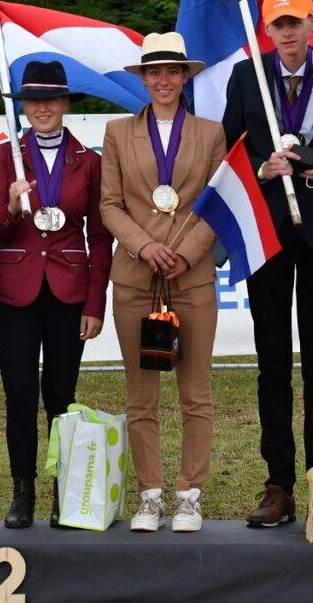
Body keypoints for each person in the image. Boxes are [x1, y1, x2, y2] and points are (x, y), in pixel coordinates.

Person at [223, 0, 313, 527]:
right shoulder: (247, 76)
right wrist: (262, 168)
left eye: (295, 22)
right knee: (273, 364)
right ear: (267, 30)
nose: (287, 32)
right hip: (268, 232)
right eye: (278, 24)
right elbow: (230, 148)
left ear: (312, 23)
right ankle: (278, 484)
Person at [101, 32, 226, 533]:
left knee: (196, 393)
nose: (164, 80)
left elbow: (216, 203)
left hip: (191, 278)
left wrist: (187, 252)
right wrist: (144, 246)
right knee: (141, 395)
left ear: (185, 77)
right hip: (136, 278)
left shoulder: (211, 133)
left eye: (173, 71)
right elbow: (110, 204)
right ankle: (150, 495)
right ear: (144, 79)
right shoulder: (117, 132)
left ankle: (189, 494)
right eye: (154, 72)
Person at [0, 60, 112, 529]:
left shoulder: (89, 161)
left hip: (68, 292)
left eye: (51, 99)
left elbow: (100, 238)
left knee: (60, 396)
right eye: (33, 101)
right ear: (23, 107)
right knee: (19, 397)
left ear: (65, 103)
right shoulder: (5, 157)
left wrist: (95, 303)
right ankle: (23, 493)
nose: (42, 108)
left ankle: (64, 492)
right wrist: (12, 204)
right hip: (16, 291)